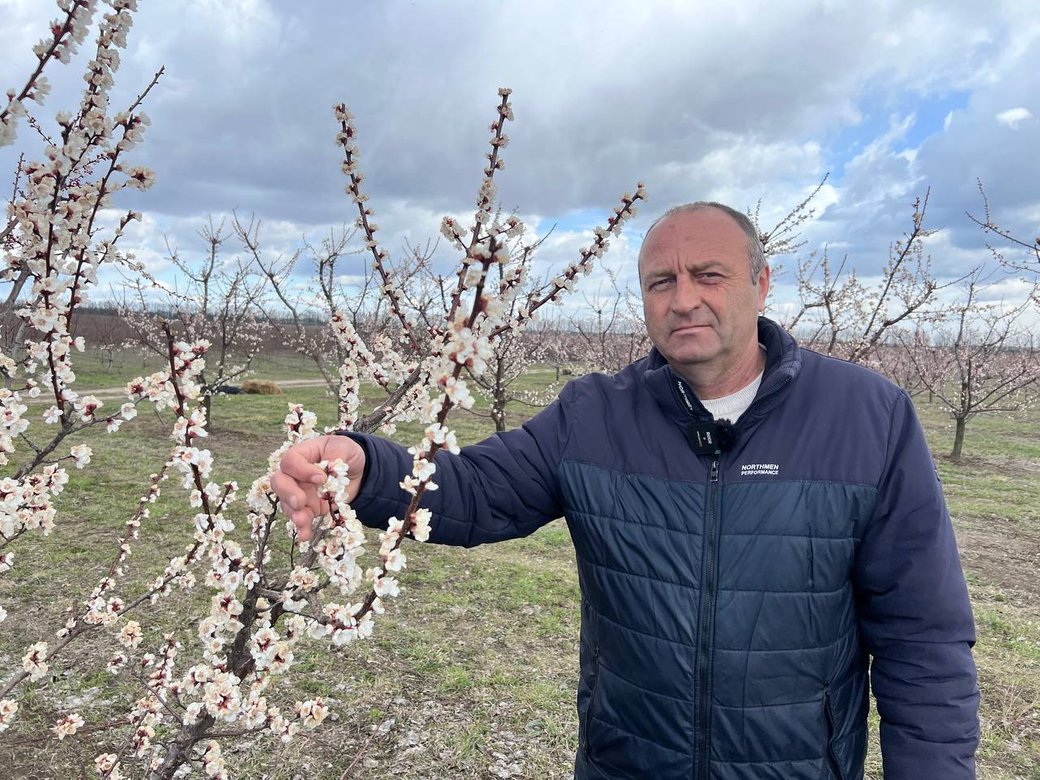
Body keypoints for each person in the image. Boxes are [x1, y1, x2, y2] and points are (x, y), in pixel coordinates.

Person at [273, 203, 979, 779]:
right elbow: (479, 490)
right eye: (660, 282)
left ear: (762, 283)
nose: (684, 299)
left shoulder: (867, 416)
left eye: (709, 275)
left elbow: (923, 635)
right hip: (628, 761)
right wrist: (366, 468)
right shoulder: (594, 415)